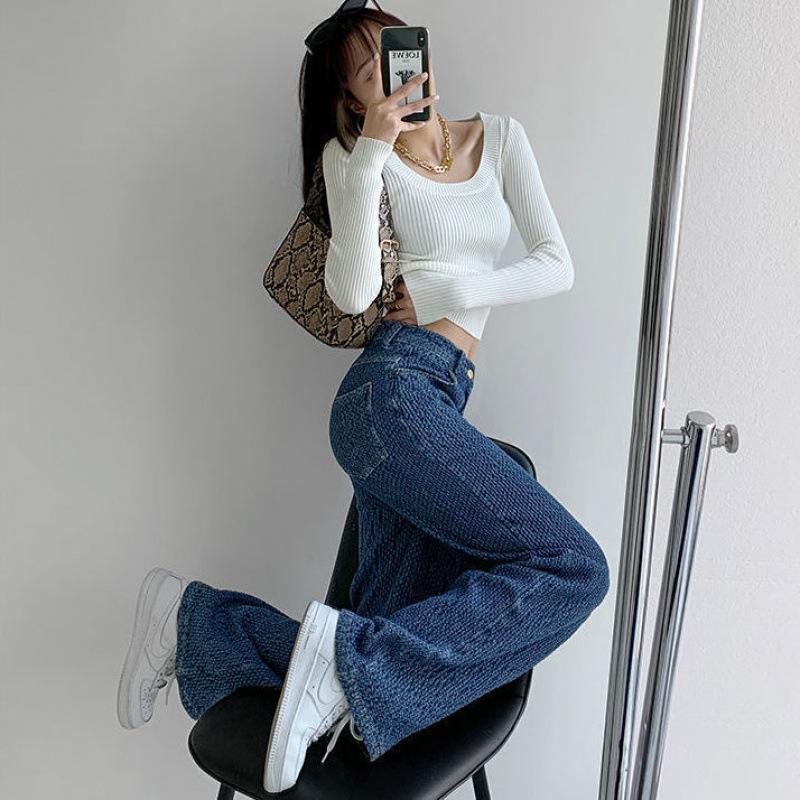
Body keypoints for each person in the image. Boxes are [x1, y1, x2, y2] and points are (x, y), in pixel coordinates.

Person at [116, 3, 611, 794]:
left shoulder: (499, 138)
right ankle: (345, 675)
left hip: (439, 396)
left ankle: (197, 620)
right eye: (369, 69)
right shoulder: (354, 160)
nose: (395, 70)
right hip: (389, 394)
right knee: (574, 566)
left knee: (375, 631)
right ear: (352, 98)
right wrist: (369, 153)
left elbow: (557, 264)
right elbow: (352, 297)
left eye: (397, 47)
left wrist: (446, 290)